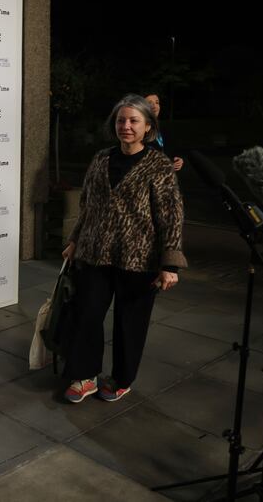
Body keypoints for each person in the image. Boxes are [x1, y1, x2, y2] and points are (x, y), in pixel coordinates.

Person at [61, 93, 187, 403]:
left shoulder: (159, 165)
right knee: (87, 314)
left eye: (133, 121)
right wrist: (74, 241)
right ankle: (85, 376)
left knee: (130, 323)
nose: (126, 126)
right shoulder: (101, 158)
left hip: (139, 258)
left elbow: (171, 214)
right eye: (121, 120)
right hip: (94, 252)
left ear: (148, 127)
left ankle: (121, 379)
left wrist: (170, 263)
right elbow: (87, 204)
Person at [144, 92, 184, 171]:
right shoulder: (139, 130)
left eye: (157, 102)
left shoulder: (163, 127)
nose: (155, 106)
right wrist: (165, 167)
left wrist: (178, 159)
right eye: (149, 103)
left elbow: (172, 149)